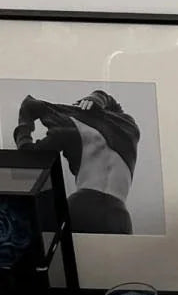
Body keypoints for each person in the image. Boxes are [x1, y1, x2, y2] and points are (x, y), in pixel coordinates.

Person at [13, 89, 139, 235]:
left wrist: (24, 126)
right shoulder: (129, 127)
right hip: (118, 215)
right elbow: (113, 104)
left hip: (83, 204)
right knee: (114, 258)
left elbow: (28, 154)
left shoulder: (68, 129)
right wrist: (95, 98)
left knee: (46, 245)